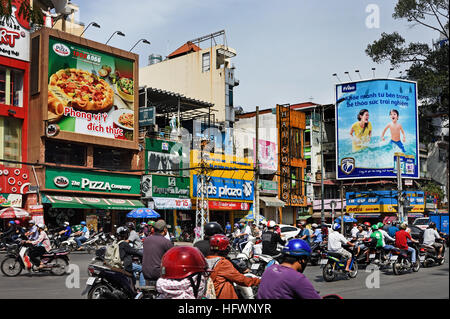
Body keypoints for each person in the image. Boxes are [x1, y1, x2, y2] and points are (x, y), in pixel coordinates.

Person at [206, 234, 260, 299]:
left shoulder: (205, 260)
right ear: (225, 249)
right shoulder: (223, 263)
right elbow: (241, 280)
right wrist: (258, 281)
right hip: (222, 295)